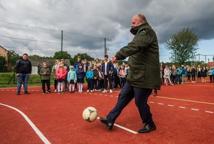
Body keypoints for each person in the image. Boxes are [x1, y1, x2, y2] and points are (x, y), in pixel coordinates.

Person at [100, 13, 161, 133]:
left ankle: (149, 124)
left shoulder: (146, 32)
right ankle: (110, 119)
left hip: (144, 76)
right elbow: (136, 49)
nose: (131, 24)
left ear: (141, 22)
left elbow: (135, 46)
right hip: (135, 75)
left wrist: (118, 55)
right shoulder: (140, 33)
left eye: (133, 22)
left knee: (140, 101)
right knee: (123, 96)